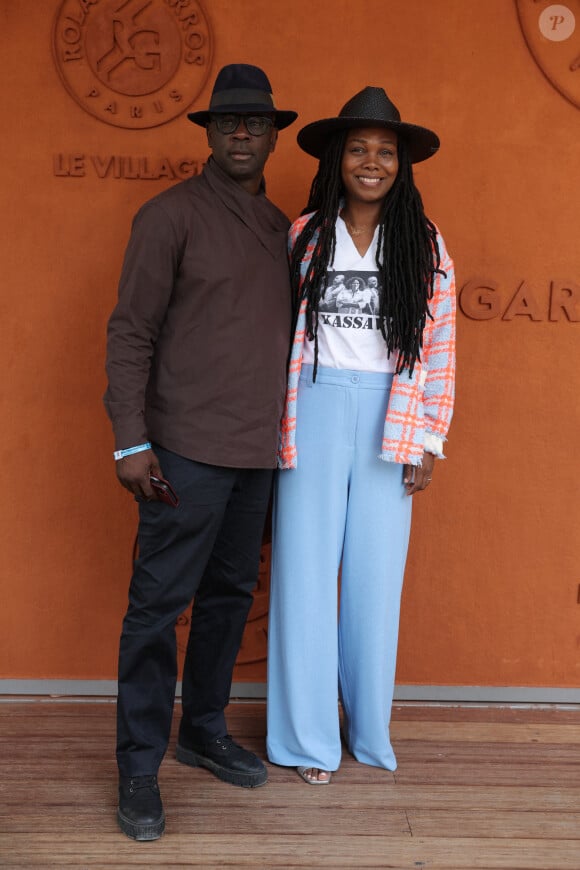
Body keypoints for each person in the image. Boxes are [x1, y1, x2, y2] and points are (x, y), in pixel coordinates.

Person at [104, 63, 297, 839]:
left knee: (227, 601)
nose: (242, 133)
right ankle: (139, 768)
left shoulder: (287, 228)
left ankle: (203, 729)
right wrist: (130, 439)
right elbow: (130, 332)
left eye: (255, 122)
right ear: (210, 133)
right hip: (183, 451)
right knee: (156, 610)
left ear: (276, 134)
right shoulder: (169, 216)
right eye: (228, 122)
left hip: (259, 454)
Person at [266, 87, 456, 785]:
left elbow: (440, 348)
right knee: (305, 576)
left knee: (376, 582)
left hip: (390, 417)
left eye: (385, 150)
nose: (371, 161)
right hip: (313, 409)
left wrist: (429, 438)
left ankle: (368, 733)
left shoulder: (426, 243)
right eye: (358, 148)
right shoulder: (305, 235)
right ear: (335, 159)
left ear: (402, 164)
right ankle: (306, 742)